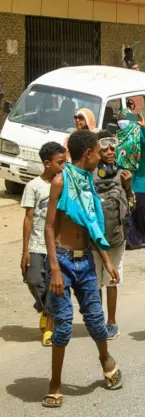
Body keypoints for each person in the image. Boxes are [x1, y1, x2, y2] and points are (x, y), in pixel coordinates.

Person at [42, 130, 123, 408]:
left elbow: (91, 225)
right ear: (88, 153)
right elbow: (49, 227)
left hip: (86, 260)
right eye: (98, 152)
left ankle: (105, 358)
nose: (101, 156)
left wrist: (107, 259)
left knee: (95, 321)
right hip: (62, 261)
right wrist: (54, 269)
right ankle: (54, 385)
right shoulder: (60, 182)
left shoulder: (89, 184)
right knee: (63, 326)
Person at [21, 142, 66, 347]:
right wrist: (25, 250)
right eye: (59, 162)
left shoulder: (64, 184)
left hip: (56, 245)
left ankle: (50, 328)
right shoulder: (33, 186)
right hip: (37, 244)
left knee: (52, 284)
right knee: (32, 279)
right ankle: (45, 310)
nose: (63, 166)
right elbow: (29, 218)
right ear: (47, 163)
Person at [93, 132, 132, 340]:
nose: (109, 152)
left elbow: (130, 205)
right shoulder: (89, 175)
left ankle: (111, 321)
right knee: (95, 282)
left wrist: (129, 187)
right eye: (105, 148)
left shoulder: (123, 174)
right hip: (94, 239)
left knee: (112, 280)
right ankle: (97, 320)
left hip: (116, 239)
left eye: (112, 148)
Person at [115, 109, 145, 249]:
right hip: (127, 178)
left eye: (124, 117)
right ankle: (133, 240)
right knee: (131, 209)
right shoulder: (118, 136)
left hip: (142, 176)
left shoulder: (138, 133)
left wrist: (144, 127)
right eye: (119, 118)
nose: (121, 120)